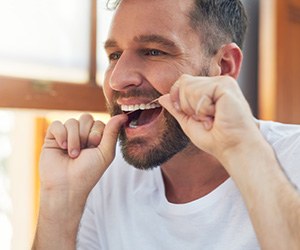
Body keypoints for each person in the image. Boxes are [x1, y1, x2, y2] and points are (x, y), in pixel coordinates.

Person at [32, 0, 300, 249]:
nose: (117, 80)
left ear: (224, 66)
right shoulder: (103, 178)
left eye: (153, 51)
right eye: (114, 55)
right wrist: (61, 201)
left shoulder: (294, 156)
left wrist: (241, 150)